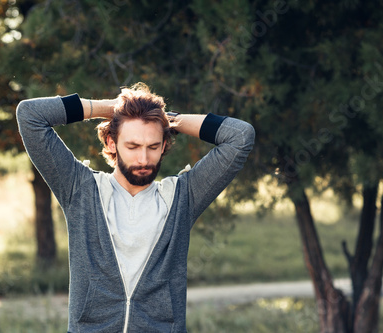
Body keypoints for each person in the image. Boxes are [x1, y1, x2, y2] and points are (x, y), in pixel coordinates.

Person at [16, 83, 255, 333]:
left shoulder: (183, 197)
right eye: (132, 147)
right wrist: (112, 109)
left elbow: (240, 136)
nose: (144, 159)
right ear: (111, 143)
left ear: (164, 145)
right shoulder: (80, 190)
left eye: (153, 147)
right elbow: (30, 115)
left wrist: (168, 119)